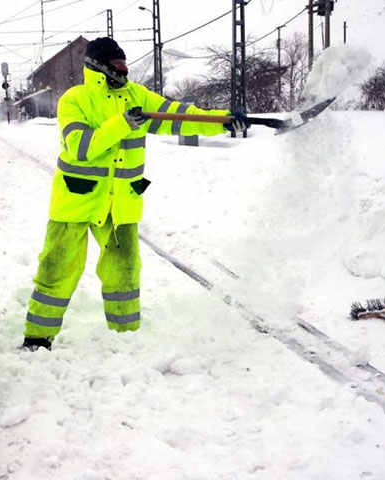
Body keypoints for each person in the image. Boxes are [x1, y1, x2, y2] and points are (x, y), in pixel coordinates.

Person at [22, 37, 250, 351]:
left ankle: (125, 338)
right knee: (57, 271)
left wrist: (224, 121)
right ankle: (37, 339)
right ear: (98, 66)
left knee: (124, 273)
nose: (124, 71)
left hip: (121, 204)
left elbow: (180, 116)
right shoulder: (75, 99)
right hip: (76, 201)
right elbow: (80, 147)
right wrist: (123, 123)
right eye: (117, 66)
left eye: (125, 65)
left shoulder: (136, 95)